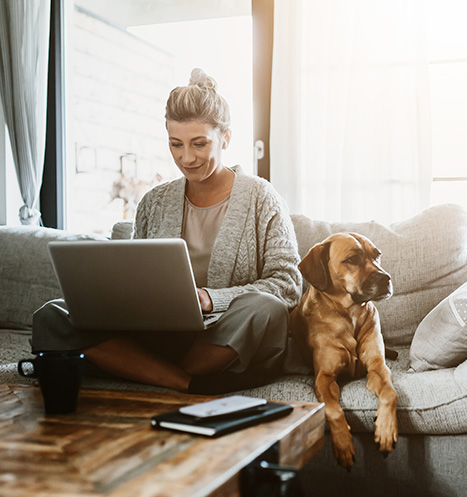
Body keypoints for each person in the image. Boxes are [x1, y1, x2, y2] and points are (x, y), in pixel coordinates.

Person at [32, 68, 302, 394]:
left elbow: (287, 286)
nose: (186, 158)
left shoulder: (262, 198)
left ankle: (140, 368)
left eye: (199, 144)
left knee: (265, 308)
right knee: (52, 315)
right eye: (176, 144)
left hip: (225, 336)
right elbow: (134, 275)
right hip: (160, 335)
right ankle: (187, 383)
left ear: (226, 138)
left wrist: (209, 299)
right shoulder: (154, 201)